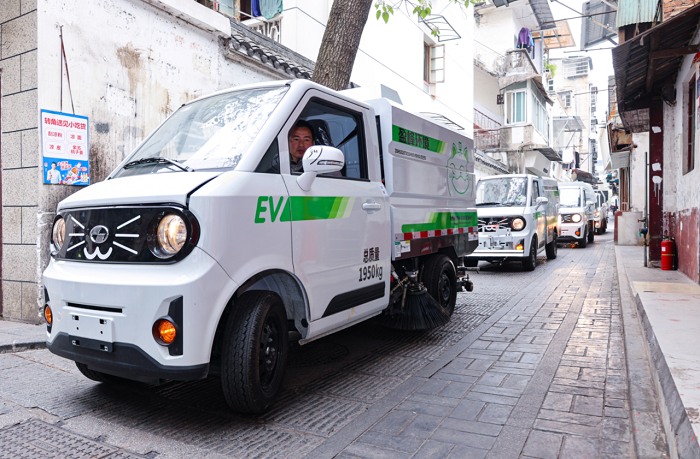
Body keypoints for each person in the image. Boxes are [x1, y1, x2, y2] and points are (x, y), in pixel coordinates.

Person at [267, 120, 342, 176]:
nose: (301, 145)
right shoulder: (273, 166)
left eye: (306, 140)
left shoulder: (326, 168)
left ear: (313, 143)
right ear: (287, 142)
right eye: (296, 139)